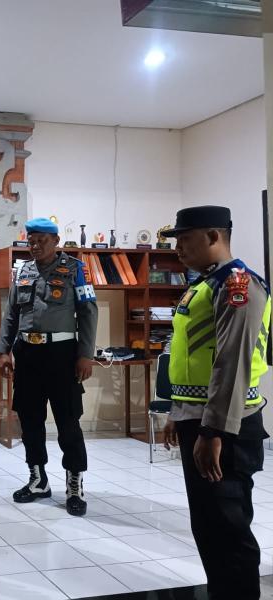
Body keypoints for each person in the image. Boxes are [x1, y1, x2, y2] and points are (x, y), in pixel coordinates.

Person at [161, 205, 270, 600]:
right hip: (202, 419)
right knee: (209, 526)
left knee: (228, 528)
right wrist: (177, 413)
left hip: (227, 428)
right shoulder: (206, 284)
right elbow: (191, 357)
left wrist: (213, 431)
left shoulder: (237, 285)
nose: (177, 248)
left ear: (213, 236)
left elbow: (231, 364)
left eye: (184, 239)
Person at [0, 217, 98, 516]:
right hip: (27, 354)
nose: (36, 246)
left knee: (68, 422)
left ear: (55, 241)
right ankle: (38, 479)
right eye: (32, 241)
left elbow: (88, 312)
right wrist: (3, 351)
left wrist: (85, 354)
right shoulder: (23, 271)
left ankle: (74, 484)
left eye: (42, 240)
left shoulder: (76, 270)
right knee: (30, 420)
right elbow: (11, 314)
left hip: (62, 355)